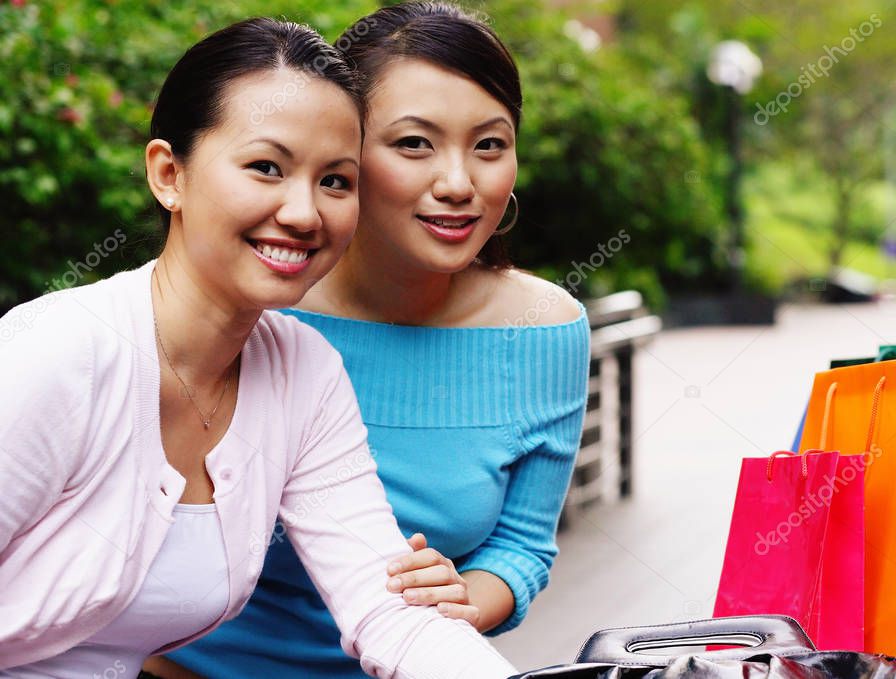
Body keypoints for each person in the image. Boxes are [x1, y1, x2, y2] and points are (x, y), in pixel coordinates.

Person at [0, 16, 516, 679]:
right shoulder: (58, 354)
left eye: (336, 181)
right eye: (266, 167)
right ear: (169, 174)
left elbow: (389, 608)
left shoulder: (304, 371)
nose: (304, 213)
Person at [158, 3, 589, 677]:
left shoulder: (544, 329)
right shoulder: (258, 305)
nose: (458, 184)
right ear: (344, 152)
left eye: (489, 145)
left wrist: (459, 600)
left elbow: (522, 545)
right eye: (414, 143)